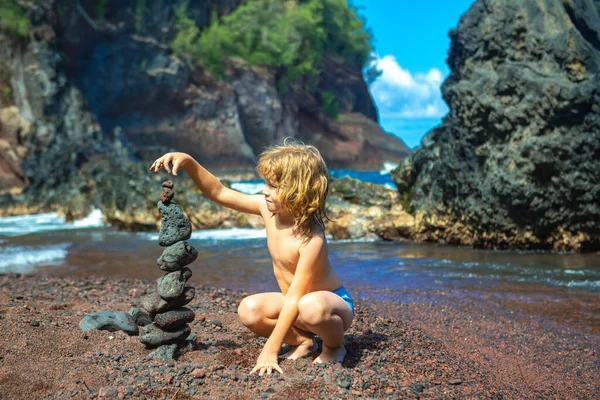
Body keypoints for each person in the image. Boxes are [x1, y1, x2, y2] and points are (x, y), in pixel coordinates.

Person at [149, 139, 354, 376]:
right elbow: (219, 192)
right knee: (249, 309)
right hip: (295, 306)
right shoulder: (267, 210)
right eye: (266, 183)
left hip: (330, 306)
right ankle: (304, 341)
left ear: (299, 191)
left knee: (310, 306)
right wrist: (188, 160)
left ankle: (334, 345)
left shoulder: (311, 239)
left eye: (274, 186)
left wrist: (271, 349)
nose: (265, 190)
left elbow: (297, 296)